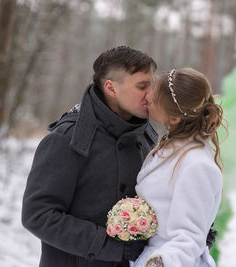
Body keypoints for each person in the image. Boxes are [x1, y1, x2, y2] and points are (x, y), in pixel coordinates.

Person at [21, 46, 158, 267]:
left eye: (151, 85)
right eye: (142, 86)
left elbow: (155, 199)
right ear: (111, 88)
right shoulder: (66, 140)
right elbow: (38, 215)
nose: (150, 94)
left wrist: (188, 229)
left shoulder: (147, 137)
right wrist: (111, 247)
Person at [131, 68, 227, 267]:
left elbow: (190, 236)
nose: (147, 96)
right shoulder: (170, 146)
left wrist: (160, 262)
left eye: (155, 96)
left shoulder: (197, 165)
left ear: (175, 118)